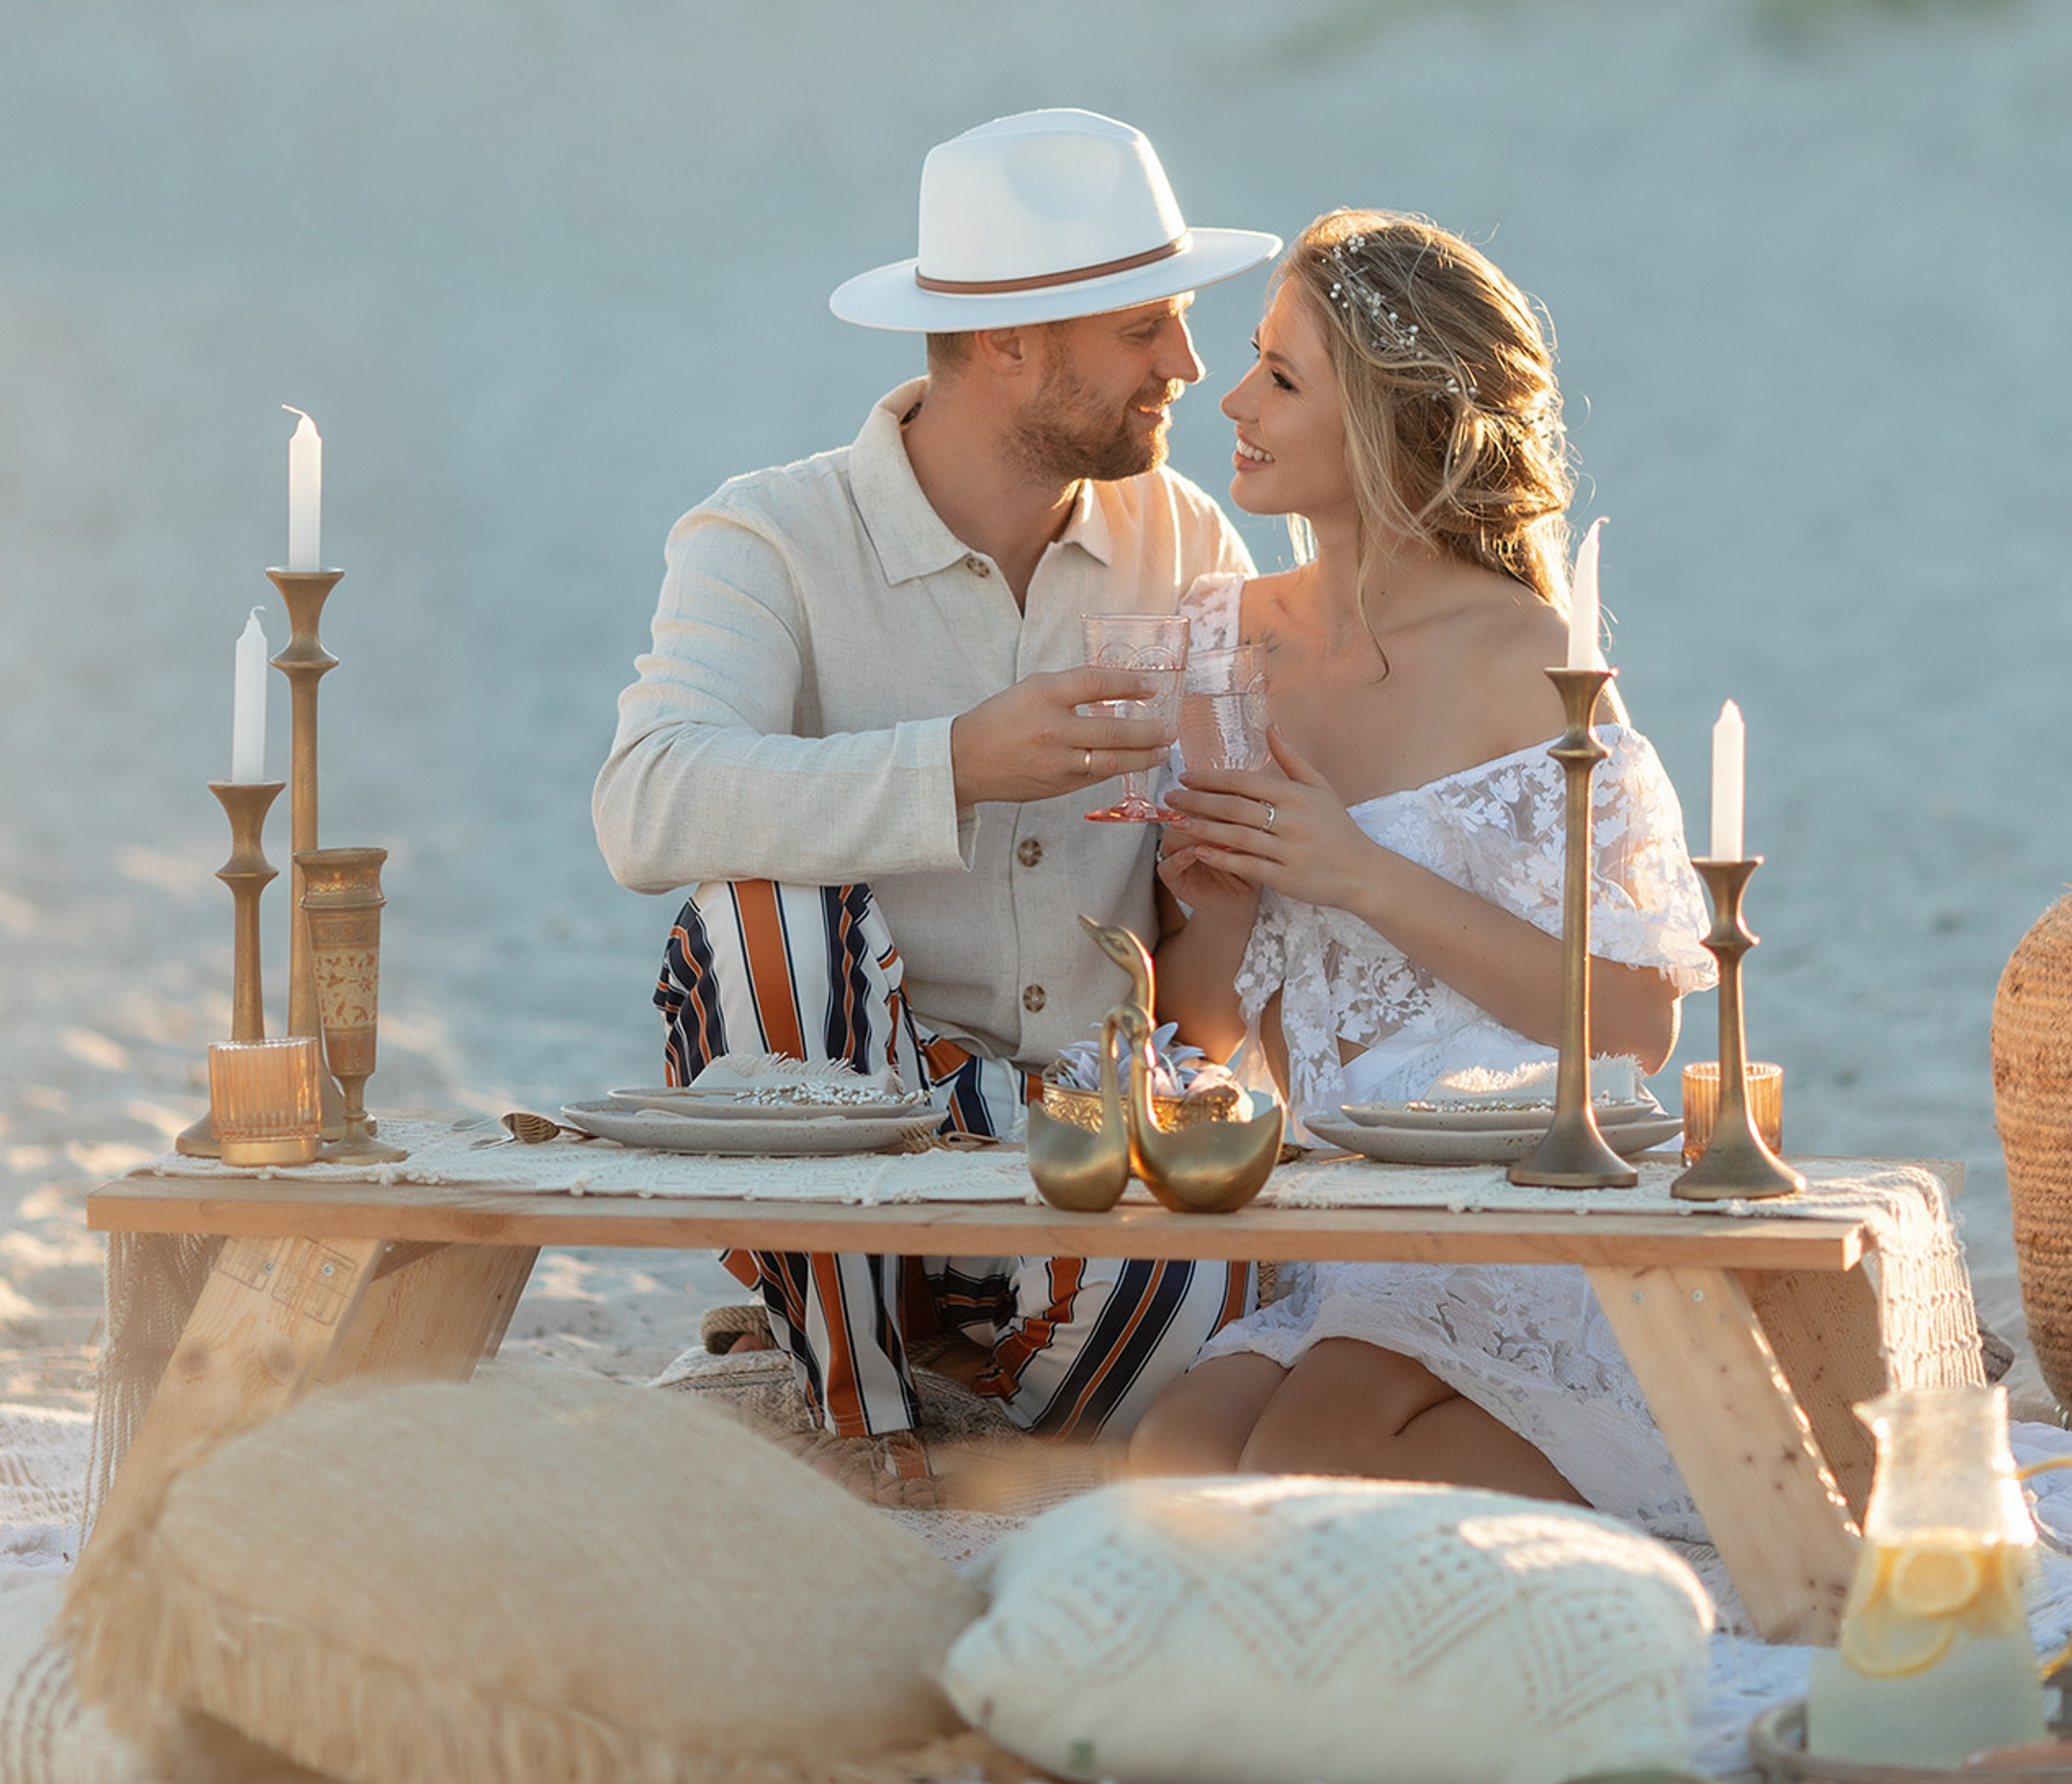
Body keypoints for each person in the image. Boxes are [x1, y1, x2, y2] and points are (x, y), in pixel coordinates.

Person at [592, 108, 1279, 1500]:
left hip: (1082, 1115)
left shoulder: (1188, 536)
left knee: (1203, 1295)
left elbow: (1223, 880)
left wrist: (1230, 857)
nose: (1189, 368)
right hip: (850, 1087)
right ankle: (859, 1389)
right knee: (759, 912)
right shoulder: (767, 535)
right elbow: (644, 804)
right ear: (1010, 341)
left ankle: (926, 1353)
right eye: (1146, 327)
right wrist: (956, 762)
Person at [1129, 207, 1717, 1528]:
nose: (1232, 398)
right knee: (1173, 1462)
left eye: (1281, 377)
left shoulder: (1528, 656)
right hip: (1337, 1225)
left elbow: (1636, 1020)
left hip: (1516, 1205)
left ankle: (1674, 1463)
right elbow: (1209, 1030)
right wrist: (1219, 912)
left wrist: (1360, 872)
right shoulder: (1217, 642)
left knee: (1298, 1473)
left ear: (1395, 424)